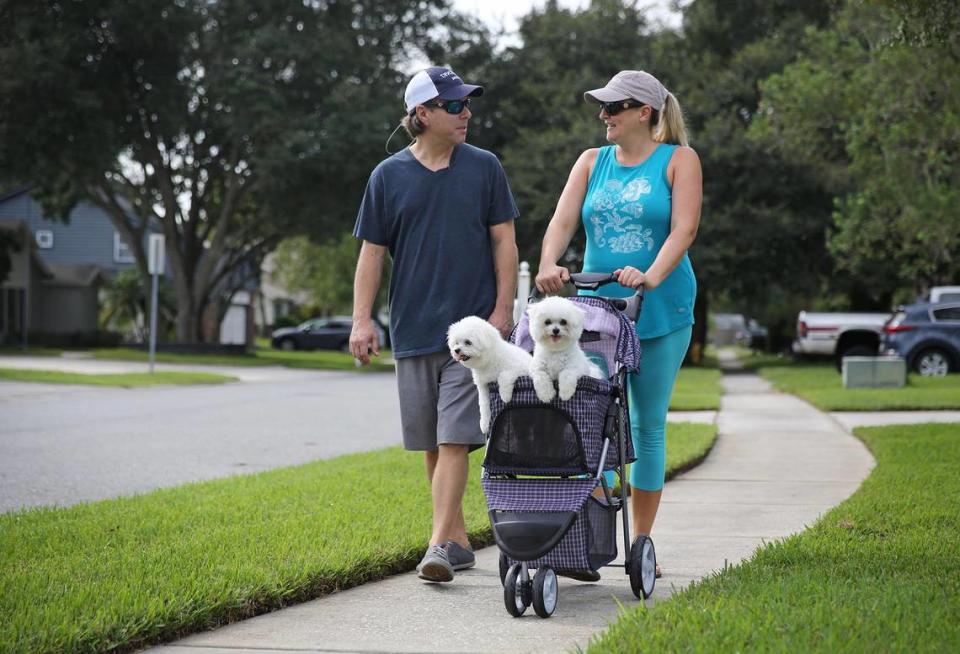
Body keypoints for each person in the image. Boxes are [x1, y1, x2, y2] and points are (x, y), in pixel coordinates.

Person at [350, 66, 519, 583]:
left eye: (466, 104)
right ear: (421, 114)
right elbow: (372, 254)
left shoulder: (484, 167)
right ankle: (460, 540)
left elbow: (504, 242)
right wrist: (361, 321)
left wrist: (503, 311)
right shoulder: (387, 177)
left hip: (471, 333)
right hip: (414, 328)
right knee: (433, 442)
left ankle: (437, 546)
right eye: (453, 105)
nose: (465, 112)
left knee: (454, 440)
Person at [535, 70, 702, 578]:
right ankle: (594, 533)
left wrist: (649, 276)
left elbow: (685, 228)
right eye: (602, 107)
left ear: (644, 111)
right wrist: (548, 263)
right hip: (596, 312)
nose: (604, 116)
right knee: (590, 422)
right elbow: (563, 221)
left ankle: (642, 542)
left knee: (645, 425)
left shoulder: (679, 160)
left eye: (614, 107)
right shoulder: (592, 162)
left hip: (660, 307)